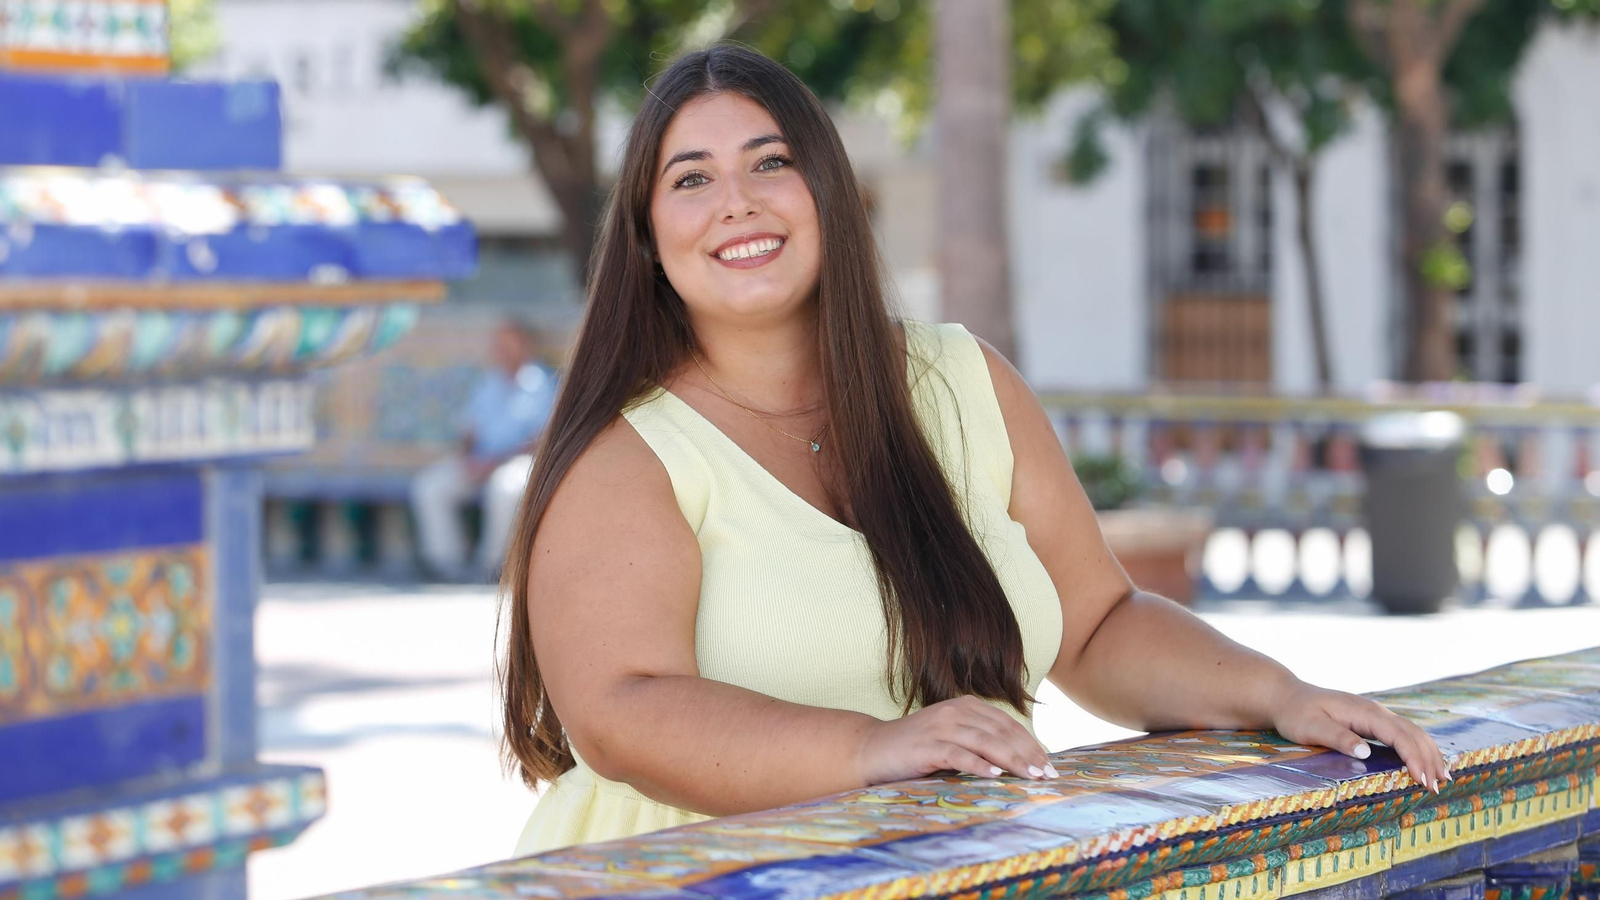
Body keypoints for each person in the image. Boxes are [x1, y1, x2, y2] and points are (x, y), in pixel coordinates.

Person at [497, 44, 1450, 857]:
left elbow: (1097, 623)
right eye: (691, 178)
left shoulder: (961, 380)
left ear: (828, 188)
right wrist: (872, 751)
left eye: (770, 162)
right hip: (681, 870)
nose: (736, 203)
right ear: (647, 234)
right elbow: (620, 711)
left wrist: (1280, 697)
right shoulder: (626, 453)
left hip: (948, 863)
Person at [410, 317, 559, 582]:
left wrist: (495, 461)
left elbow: (541, 439)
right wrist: (468, 459)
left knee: (503, 488)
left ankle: (493, 565)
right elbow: (470, 430)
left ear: (526, 345)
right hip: (480, 461)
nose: (501, 350)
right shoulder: (489, 382)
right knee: (430, 486)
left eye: (509, 344)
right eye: (498, 344)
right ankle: (444, 562)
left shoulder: (543, 384)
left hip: (521, 460)